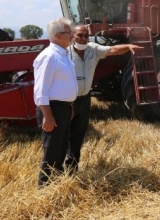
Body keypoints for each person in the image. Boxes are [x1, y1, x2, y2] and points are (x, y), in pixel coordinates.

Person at [65, 24, 143, 172]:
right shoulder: (64, 53)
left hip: (85, 99)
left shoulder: (93, 49)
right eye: (79, 35)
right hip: (68, 99)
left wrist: (128, 46)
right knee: (63, 133)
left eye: (86, 36)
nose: (83, 39)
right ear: (72, 36)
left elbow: (112, 50)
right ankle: (56, 167)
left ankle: (72, 167)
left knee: (78, 133)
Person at [33, 17, 77, 187]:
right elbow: (40, 90)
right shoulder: (49, 56)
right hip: (52, 110)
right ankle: (44, 189)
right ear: (59, 35)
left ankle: (57, 186)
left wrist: (69, 107)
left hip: (63, 109)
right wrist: (47, 115)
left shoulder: (64, 55)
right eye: (69, 32)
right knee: (51, 152)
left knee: (60, 150)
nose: (72, 35)